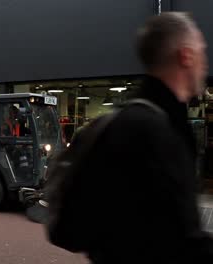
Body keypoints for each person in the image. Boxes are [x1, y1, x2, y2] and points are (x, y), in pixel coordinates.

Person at [48, 13, 213, 263]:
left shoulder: (117, 124)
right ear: (186, 56)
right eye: (202, 51)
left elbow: (76, 228)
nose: (206, 62)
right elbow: (182, 243)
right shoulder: (160, 133)